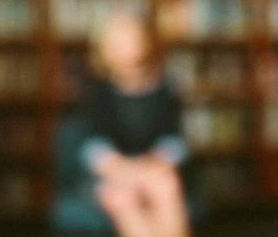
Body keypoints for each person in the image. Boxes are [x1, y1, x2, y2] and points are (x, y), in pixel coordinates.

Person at [75, 12, 192, 237]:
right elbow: (93, 146)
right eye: (117, 43)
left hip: (155, 169)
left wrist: (154, 164)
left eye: (131, 39)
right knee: (121, 199)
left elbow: (175, 140)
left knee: (166, 187)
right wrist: (123, 170)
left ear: (144, 42)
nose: (126, 48)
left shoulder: (164, 88)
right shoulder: (98, 92)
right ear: (104, 50)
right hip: (113, 173)